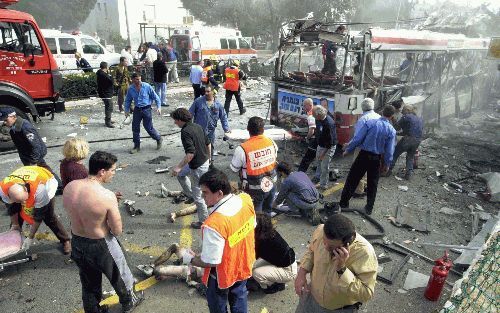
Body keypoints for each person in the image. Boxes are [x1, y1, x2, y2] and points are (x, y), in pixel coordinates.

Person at [63, 151, 143, 313]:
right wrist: (110, 203)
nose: (114, 173)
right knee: (120, 275)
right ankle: (129, 302)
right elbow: (117, 230)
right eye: (112, 170)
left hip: (77, 241)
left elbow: (83, 205)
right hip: (101, 244)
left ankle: (92, 310)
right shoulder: (106, 196)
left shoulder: (70, 187)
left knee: (88, 282)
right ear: (102, 171)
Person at [180, 168, 256, 313]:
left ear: (220, 193)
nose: (202, 197)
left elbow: (211, 261)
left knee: (218, 306)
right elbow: (252, 226)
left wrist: (190, 258)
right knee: (239, 298)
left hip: (223, 274)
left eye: (205, 193)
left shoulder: (214, 224)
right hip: (243, 263)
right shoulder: (246, 201)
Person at [294, 214, 378, 313]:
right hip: (311, 298)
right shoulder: (321, 230)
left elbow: (366, 294)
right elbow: (312, 251)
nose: (325, 247)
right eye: (324, 241)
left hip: (338, 309)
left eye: (331, 246)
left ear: (346, 245)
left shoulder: (364, 254)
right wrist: (302, 273)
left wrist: (342, 269)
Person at [0, 165, 71, 254]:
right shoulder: (3, 189)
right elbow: (11, 208)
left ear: (26, 189)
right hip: (24, 180)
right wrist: (15, 224)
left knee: (49, 217)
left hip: (47, 182)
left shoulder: (41, 191)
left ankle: (65, 240)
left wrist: (30, 237)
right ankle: (14, 237)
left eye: (23, 200)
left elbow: (38, 217)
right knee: (17, 213)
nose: (23, 203)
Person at [339, 105, 396, 215]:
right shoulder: (391, 130)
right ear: (392, 117)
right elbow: (389, 150)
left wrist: (348, 149)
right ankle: (369, 208)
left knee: (352, 179)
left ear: (382, 111)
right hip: (376, 159)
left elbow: (358, 139)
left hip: (363, 156)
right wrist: (387, 164)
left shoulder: (370, 123)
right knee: (372, 184)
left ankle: (344, 203)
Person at [0, 107, 63, 192]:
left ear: (13, 117)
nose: (4, 122)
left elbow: (35, 145)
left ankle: (59, 186)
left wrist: (33, 161)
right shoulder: (15, 126)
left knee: (45, 170)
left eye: (5, 120)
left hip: (34, 155)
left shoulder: (25, 127)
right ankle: (39, 187)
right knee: (35, 173)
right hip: (27, 155)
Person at [170, 108, 210, 229]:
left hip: (197, 166)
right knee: (182, 175)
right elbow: (208, 143)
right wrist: (209, 158)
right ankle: (190, 195)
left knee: (199, 197)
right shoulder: (197, 126)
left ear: (181, 120)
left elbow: (190, 154)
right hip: (204, 161)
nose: (175, 123)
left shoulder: (185, 131)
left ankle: (204, 221)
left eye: (175, 120)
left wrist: (178, 167)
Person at [230, 116, 278, 213]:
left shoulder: (242, 149)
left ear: (248, 130)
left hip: (255, 189)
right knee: (267, 211)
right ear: (263, 130)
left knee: (256, 215)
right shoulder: (271, 142)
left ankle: (260, 227)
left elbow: (234, 169)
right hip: (271, 183)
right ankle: (266, 226)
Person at [246, 212, 296, 294]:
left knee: (255, 273)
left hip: (288, 271)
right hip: (281, 261)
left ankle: (274, 285)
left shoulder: (265, 242)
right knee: (251, 267)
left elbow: (253, 256)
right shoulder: (268, 233)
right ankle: (271, 277)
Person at [346, 98, 380, 198]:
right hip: (376, 148)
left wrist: (348, 148)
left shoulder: (363, 119)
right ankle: (365, 187)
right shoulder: (379, 117)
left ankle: (358, 191)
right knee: (370, 169)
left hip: (363, 148)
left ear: (362, 107)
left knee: (358, 169)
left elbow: (357, 138)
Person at [124, 72, 163, 154]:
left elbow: (156, 97)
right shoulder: (131, 89)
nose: (139, 81)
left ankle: (158, 138)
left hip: (147, 109)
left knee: (148, 127)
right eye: (137, 79)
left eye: (140, 79)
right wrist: (126, 110)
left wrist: (159, 107)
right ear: (133, 80)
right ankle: (136, 146)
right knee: (135, 128)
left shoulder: (147, 86)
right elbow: (127, 100)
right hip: (137, 110)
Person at [189, 85, 231, 158]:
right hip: (198, 131)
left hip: (210, 132)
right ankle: (198, 164)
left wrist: (226, 129)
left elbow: (223, 117)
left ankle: (210, 163)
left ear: (213, 92)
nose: (206, 93)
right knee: (198, 148)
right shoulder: (198, 101)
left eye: (208, 91)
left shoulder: (218, 105)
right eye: (205, 91)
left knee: (210, 148)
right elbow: (190, 114)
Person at [387, 104, 423, 180]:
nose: (401, 110)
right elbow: (410, 131)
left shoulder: (405, 117)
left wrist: (393, 119)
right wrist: (399, 134)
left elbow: (396, 127)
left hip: (408, 139)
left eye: (403, 109)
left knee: (395, 153)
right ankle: (408, 174)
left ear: (407, 110)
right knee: (410, 156)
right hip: (417, 140)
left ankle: (388, 170)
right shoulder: (419, 118)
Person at [312, 105, 337, 190]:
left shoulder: (329, 124)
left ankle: (323, 184)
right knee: (318, 161)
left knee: (324, 166)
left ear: (318, 115)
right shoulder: (318, 119)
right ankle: (317, 177)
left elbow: (330, 142)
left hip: (328, 147)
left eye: (313, 114)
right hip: (321, 145)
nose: (312, 115)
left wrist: (323, 153)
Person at [298, 98, 317, 173]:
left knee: (307, 158)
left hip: (314, 139)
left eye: (304, 106)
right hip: (319, 138)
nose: (303, 108)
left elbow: (312, 130)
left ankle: (300, 173)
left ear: (310, 105)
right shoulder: (316, 111)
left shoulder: (310, 116)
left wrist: (307, 138)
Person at [96, 61, 115, 128]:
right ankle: (108, 122)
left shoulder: (100, 73)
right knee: (109, 107)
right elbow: (111, 81)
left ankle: (108, 119)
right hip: (106, 93)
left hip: (105, 93)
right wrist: (110, 75)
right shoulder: (104, 75)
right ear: (106, 67)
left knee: (109, 106)